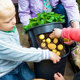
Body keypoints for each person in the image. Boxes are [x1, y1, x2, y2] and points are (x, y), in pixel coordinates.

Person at [0, 0, 61, 80]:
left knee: (31, 77)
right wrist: (47, 54)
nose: (14, 22)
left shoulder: (8, 27)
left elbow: (12, 44)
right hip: (5, 72)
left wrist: (18, 47)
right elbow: (18, 53)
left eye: (14, 17)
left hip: (18, 62)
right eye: (8, 21)